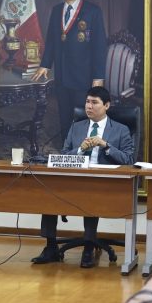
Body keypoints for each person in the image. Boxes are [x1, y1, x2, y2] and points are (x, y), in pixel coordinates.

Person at [31, 87, 135, 268]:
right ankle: (51, 246)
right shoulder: (76, 127)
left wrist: (106, 145)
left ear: (106, 105)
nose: (89, 106)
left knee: (91, 191)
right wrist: (80, 149)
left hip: (104, 183)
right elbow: (64, 155)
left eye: (94, 102)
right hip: (75, 179)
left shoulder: (121, 130)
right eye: (87, 102)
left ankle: (89, 245)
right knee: (49, 191)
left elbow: (129, 160)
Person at [31, 0, 107, 142]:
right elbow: (51, 41)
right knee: (64, 113)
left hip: (83, 76)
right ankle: (67, 146)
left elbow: (100, 47)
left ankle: (82, 149)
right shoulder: (56, 10)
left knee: (82, 114)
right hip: (62, 75)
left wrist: (98, 77)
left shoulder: (93, 11)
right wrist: (45, 64)